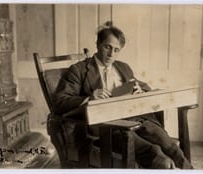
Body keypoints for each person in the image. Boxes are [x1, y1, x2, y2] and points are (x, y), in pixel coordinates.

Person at [53, 22, 193, 169]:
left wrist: (140, 91)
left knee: (169, 144)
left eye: (116, 50)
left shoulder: (123, 67)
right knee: (155, 153)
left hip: (135, 119)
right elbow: (60, 102)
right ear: (98, 44)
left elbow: (144, 87)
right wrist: (89, 98)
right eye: (107, 47)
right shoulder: (79, 70)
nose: (111, 54)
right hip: (107, 127)